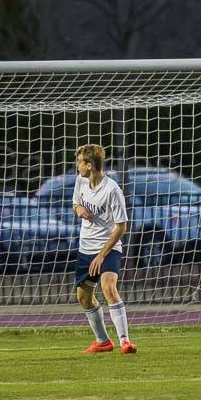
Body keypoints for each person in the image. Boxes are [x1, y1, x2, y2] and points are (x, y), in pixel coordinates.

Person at [72, 144, 136, 355]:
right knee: (84, 298)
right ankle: (102, 341)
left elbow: (121, 226)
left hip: (108, 248)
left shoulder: (112, 190)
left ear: (89, 165)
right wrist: (79, 209)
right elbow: (75, 204)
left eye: (79, 161)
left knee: (109, 288)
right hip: (86, 248)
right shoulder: (81, 181)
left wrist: (101, 255)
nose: (77, 165)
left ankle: (125, 341)